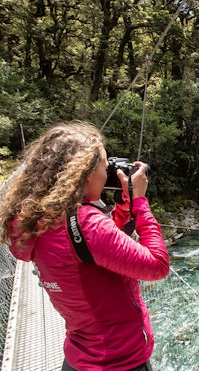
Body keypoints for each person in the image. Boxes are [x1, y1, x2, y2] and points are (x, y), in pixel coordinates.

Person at [0, 121, 170, 371]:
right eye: (105, 166)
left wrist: (123, 207)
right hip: (119, 361)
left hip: (80, 356)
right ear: (86, 173)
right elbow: (157, 266)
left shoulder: (35, 220)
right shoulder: (85, 224)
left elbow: (96, 248)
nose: (108, 173)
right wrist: (140, 203)